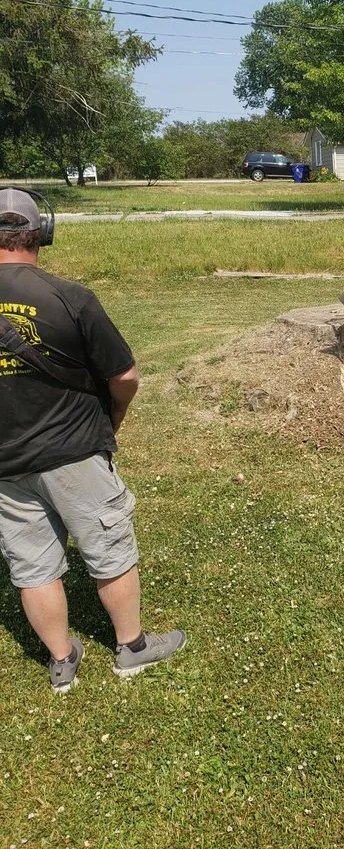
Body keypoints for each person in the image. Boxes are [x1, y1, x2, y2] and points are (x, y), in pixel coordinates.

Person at [0, 189, 185, 692]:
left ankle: (62, 660)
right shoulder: (70, 298)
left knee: (32, 562)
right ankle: (133, 648)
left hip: (6, 464)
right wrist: (114, 417)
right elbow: (124, 376)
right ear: (43, 233)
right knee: (109, 547)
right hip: (74, 451)